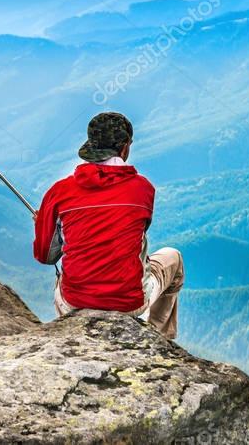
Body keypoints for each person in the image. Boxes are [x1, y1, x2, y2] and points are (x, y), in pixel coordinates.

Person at [33, 112, 184, 339]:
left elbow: (46, 256)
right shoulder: (143, 189)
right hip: (129, 304)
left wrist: (46, 225)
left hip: (74, 304)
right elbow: (133, 237)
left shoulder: (59, 191)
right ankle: (157, 339)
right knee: (174, 258)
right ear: (124, 149)